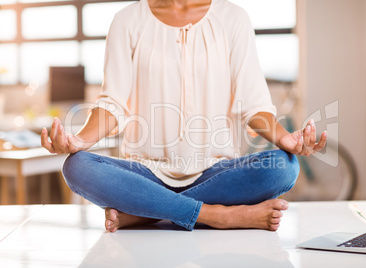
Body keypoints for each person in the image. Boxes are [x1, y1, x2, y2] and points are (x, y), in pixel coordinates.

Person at [41, 0, 327, 232]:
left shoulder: (233, 18)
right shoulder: (128, 19)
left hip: (215, 175)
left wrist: (286, 139)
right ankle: (215, 216)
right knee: (76, 167)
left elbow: (253, 106)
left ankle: (148, 213)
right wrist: (79, 141)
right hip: (144, 174)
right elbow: (112, 103)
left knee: (284, 166)